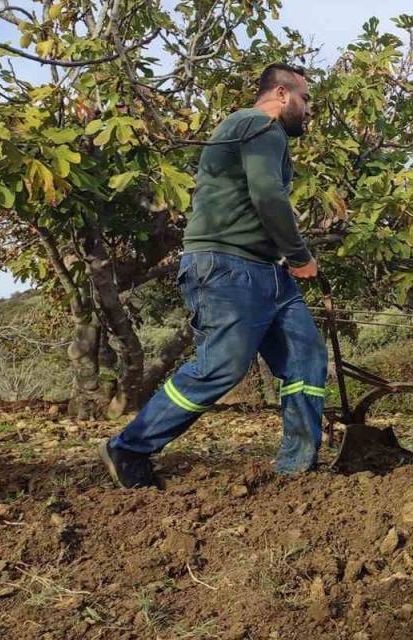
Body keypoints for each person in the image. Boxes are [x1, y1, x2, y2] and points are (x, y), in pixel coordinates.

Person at [100, 63, 328, 488]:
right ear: (281, 94)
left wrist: (285, 260)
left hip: (266, 271)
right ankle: (130, 447)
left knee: (307, 358)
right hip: (228, 267)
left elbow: (259, 197)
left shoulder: (257, 131)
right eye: (305, 98)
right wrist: (300, 255)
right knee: (220, 367)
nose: (309, 108)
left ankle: (298, 467)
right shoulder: (259, 125)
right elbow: (267, 194)